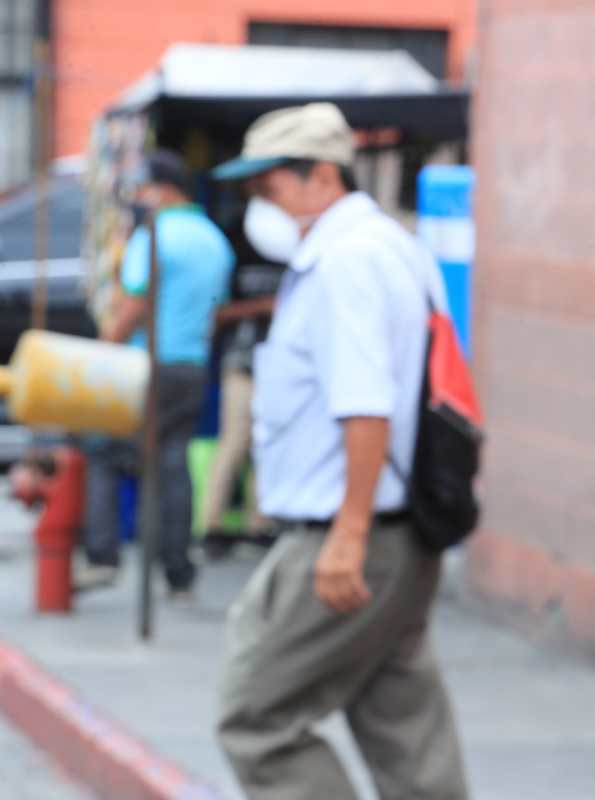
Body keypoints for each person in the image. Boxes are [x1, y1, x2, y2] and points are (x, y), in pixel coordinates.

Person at [212, 103, 469, 800]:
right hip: (389, 530)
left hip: (351, 534)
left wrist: (348, 537)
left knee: (257, 720)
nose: (260, 206)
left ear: (322, 176)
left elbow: (365, 405)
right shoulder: (384, 246)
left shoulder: (346, 260)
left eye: (269, 187)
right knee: (404, 734)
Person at [76, 150, 235, 597]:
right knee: (172, 464)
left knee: (104, 452)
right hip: (191, 365)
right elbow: (216, 310)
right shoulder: (214, 240)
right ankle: (179, 573)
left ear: (162, 189)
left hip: (146, 365)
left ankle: (102, 557)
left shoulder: (155, 235)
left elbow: (133, 305)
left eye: (144, 189)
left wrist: (101, 354)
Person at [201, 236, 283, 556]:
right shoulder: (236, 257)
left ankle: (260, 523)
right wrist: (260, 307)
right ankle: (212, 525)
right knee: (234, 442)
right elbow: (215, 312)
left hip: (278, 367)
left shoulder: (295, 259)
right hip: (242, 364)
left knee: (268, 444)